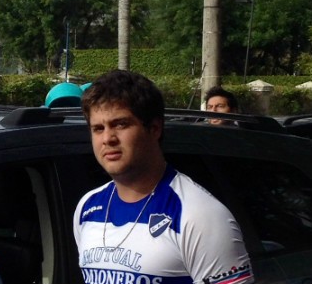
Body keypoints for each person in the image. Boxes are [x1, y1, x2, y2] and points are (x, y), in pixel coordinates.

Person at [74, 70, 254, 284]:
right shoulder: (87, 208)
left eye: (120, 124)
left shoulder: (200, 216)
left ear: (154, 128)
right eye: (97, 128)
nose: (107, 138)